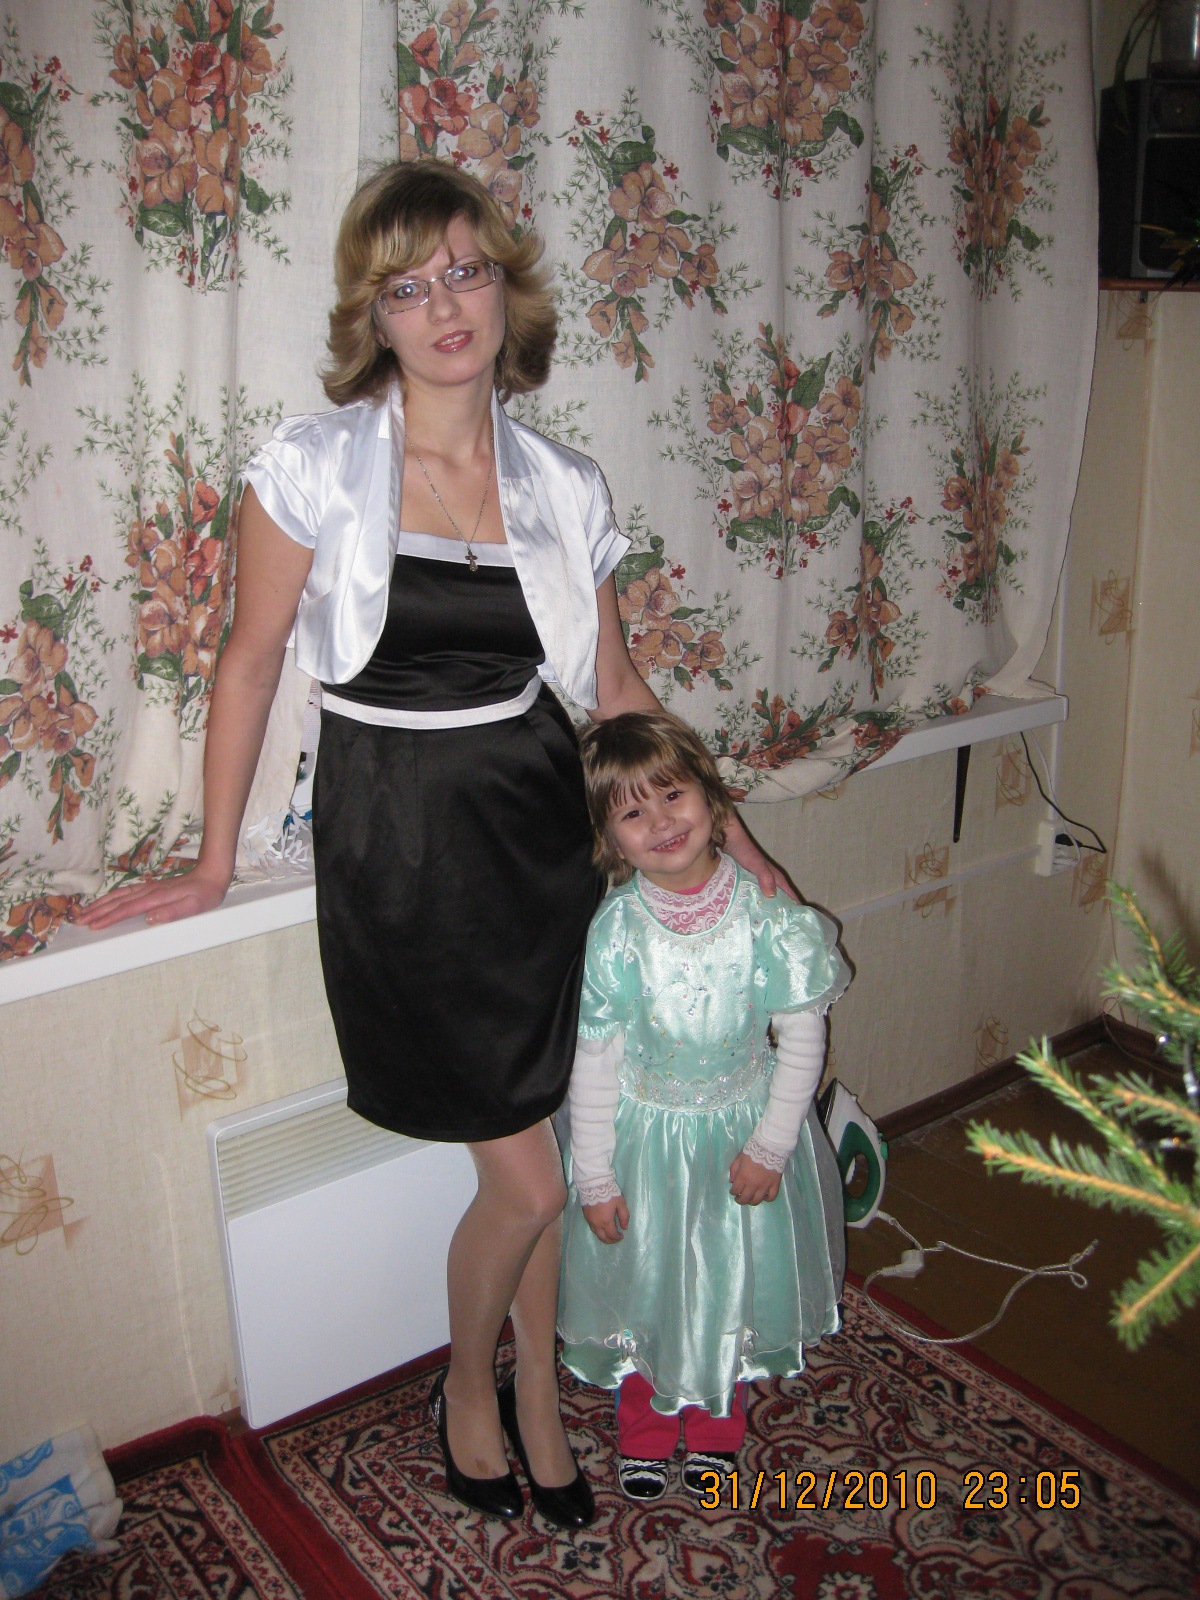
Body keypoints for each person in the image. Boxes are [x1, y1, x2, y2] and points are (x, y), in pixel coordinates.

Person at [78, 160, 785, 1529]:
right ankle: (470, 1386)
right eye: (408, 287)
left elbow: (616, 690)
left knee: (543, 1136)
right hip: (398, 840)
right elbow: (247, 662)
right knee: (527, 1178)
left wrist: (737, 843)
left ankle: (537, 1395)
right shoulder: (313, 466)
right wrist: (212, 862)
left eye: (465, 271)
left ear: (504, 287)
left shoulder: (562, 484)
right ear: (375, 316)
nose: (445, 306)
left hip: (538, 829)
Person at [559, 710, 849, 1502]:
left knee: (731, 1282)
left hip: (742, 1138)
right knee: (646, 1285)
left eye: (672, 795)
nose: (660, 822)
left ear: (713, 800)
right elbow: (595, 1060)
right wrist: (595, 1176)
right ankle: (647, 1426)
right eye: (632, 812)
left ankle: (719, 1421)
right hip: (644, 1148)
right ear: (609, 839)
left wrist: (771, 1146)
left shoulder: (768, 914)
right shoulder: (615, 932)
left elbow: (802, 1036)